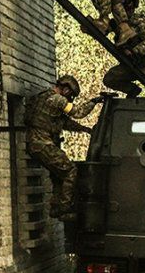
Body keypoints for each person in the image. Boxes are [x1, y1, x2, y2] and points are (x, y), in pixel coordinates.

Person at [25, 75, 101, 221]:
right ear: (66, 89)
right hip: (42, 144)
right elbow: (78, 112)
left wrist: (85, 129)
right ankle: (65, 208)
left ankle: (56, 208)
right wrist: (94, 102)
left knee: (59, 174)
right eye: (70, 94)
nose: (69, 97)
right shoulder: (57, 100)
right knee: (70, 170)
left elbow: (64, 123)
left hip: (36, 144)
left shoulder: (44, 98)